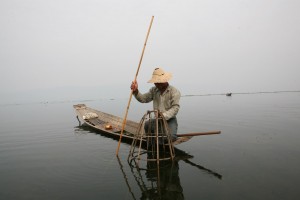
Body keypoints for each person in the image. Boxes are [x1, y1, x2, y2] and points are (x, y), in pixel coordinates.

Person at [130, 67, 181, 141]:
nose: (156, 84)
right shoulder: (153, 90)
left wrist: (163, 115)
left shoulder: (174, 91)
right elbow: (143, 99)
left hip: (170, 119)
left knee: (171, 137)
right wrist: (136, 91)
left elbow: (175, 108)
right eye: (155, 82)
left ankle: (159, 139)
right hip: (157, 120)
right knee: (147, 125)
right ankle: (152, 143)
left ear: (165, 80)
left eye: (158, 81)